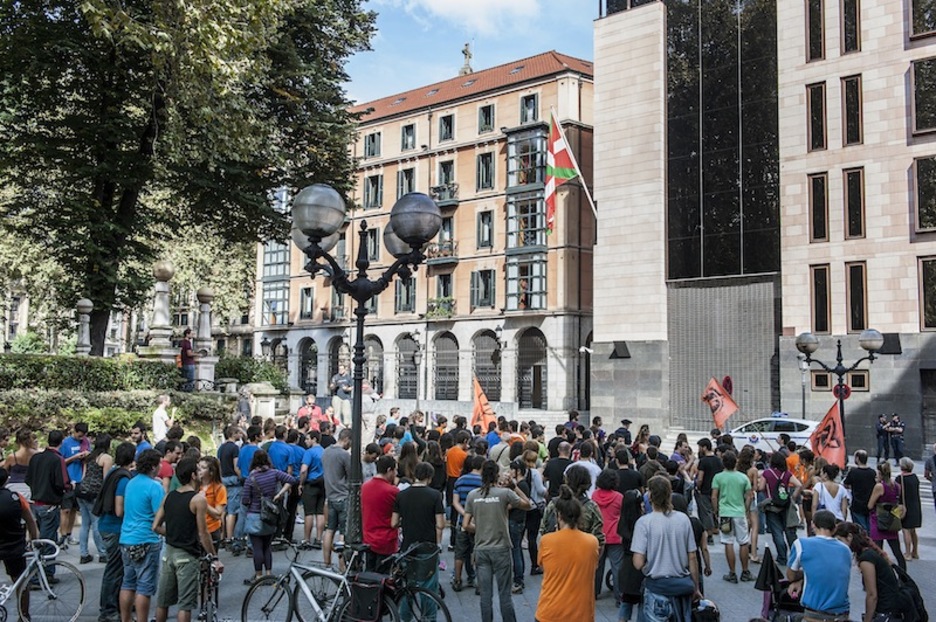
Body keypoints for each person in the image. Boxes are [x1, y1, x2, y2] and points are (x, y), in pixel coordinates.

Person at [152, 457, 221, 622]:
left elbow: (155, 526)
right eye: (197, 470)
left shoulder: (169, 497)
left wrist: (173, 534)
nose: (199, 473)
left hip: (168, 554)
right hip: (187, 556)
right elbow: (203, 533)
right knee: (185, 604)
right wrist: (214, 557)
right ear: (193, 475)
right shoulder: (198, 499)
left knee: (163, 602)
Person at [463, 460, 531, 622]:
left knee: (485, 597)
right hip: (501, 549)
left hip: (481, 550)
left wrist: (481, 528)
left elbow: (466, 525)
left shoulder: (473, 495)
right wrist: (514, 486)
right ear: (496, 475)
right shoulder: (504, 494)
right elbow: (528, 505)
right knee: (504, 595)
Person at [631, 476, 701, 622]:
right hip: (682, 586)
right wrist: (696, 587)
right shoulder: (683, 519)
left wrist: (648, 567)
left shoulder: (644, 523)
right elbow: (692, 556)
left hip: (657, 587)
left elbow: (638, 562)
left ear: (650, 496)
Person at [535, 484, 600, 622]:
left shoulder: (547, 541)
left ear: (559, 516)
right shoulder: (592, 542)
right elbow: (594, 565)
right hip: (582, 614)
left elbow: (542, 567)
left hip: (550, 612)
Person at [391, 461, 446, 620]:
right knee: (429, 587)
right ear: (429, 477)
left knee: (408, 586)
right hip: (427, 547)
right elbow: (441, 524)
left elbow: (394, 523)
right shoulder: (435, 495)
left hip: (408, 547)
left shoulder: (401, 495)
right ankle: (428, 618)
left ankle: (405, 618)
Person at [118, 449, 165, 622]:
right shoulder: (155, 487)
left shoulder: (131, 482)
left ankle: (126, 619)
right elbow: (159, 514)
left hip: (126, 538)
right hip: (147, 539)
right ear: (153, 466)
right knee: (144, 586)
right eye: (159, 464)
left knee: (128, 583)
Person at [786, 510, 852, 622]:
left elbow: (790, 576)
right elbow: (830, 573)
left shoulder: (801, 544)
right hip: (841, 612)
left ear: (813, 525)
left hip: (815, 613)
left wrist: (801, 577)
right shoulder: (845, 550)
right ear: (834, 528)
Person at [241, 449, 296, 583]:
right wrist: (279, 494)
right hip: (270, 516)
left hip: (254, 516)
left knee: (257, 547)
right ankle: (269, 573)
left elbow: (245, 500)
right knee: (267, 546)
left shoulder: (251, 478)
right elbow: (292, 479)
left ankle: (259, 576)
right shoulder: (274, 473)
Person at [833, 522, 905, 622]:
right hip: (891, 607)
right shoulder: (869, 552)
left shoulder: (866, 558)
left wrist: (867, 619)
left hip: (886, 610)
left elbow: (872, 594)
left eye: (839, 540)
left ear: (849, 537)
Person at [96, 441, 135, 622]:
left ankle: (113, 606)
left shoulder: (113, 472)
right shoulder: (124, 479)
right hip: (114, 528)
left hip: (105, 524)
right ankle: (108, 609)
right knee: (115, 569)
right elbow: (120, 510)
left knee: (115, 568)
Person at [25, 429, 69, 568]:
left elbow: (28, 479)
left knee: (39, 539)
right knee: (48, 540)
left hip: (35, 503)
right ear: (61, 442)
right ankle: (46, 572)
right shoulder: (58, 459)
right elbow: (62, 482)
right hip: (50, 504)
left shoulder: (36, 458)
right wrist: (69, 487)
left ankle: (39, 570)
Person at [0, 467, 39, 620]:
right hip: (14, 545)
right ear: (6, 480)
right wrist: (34, 539)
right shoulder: (16, 497)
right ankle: (24, 615)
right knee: (21, 580)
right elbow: (30, 520)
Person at [711, 450, 753, 583]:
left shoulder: (718, 477)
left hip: (725, 513)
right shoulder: (743, 477)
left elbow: (714, 496)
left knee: (728, 542)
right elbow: (749, 496)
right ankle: (745, 571)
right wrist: (746, 510)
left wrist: (716, 510)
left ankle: (732, 573)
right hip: (739, 512)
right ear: (736, 462)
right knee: (743, 541)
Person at [759, 451, 802, 566]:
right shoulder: (787, 474)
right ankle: (794, 555)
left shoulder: (767, 473)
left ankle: (782, 557)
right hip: (785, 505)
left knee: (777, 532)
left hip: (772, 505)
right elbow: (799, 485)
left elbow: (761, 487)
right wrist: (792, 497)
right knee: (788, 531)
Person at [76, 433, 112, 564]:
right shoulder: (106, 458)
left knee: (85, 524)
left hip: (82, 491)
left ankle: (83, 553)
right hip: (94, 493)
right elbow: (106, 479)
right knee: (97, 523)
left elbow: (84, 475)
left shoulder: (89, 457)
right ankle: (102, 553)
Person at [360, 455, 399, 571]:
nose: (395, 473)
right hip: (386, 539)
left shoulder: (364, 487)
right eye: (395, 470)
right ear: (389, 470)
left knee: (369, 574)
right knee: (384, 577)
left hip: (368, 537)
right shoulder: (393, 491)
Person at [451, 455, 482, 592]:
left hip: (462, 522)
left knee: (460, 553)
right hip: (478, 523)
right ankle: (478, 583)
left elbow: (455, 502)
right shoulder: (483, 482)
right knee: (477, 552)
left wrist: (464, 514)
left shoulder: (460, 480)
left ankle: (457, 580)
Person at [322, 428, 352, 570]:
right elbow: (352, 475)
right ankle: (342, 566)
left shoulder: (326, 452)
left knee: (329, 530)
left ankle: (326, 563)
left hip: (330, 496)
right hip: (343, 497)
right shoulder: (344, 455)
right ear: (346, 439)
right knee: (343, 534)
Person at [867, 461, 906, 570]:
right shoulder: (897, 486)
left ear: (880, 473)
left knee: (877, 551)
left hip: (878, 519)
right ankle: (904, 578)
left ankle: (878, 577)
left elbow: (870, 505)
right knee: (897, 552)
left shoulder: (879, 486)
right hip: (892, 520)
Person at [593, 468, 624, 600]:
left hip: (599, 535)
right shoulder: (618, 497)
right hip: (615, 535)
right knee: (617, 567)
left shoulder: (594, 495)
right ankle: (619, 595)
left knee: (597, 566)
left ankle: (594, 592)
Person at [60, 422, 91, 547]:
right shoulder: (66, 443)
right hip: (68, 480)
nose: (81, 438)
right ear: (74, 431)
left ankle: (69, 534)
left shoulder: (86, 442)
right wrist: (74, 457)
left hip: (80, 479)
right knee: (65, 510)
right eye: (79, 435)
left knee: (73, 509)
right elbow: (61, 462)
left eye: (83, 436)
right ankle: (62, 536)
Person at [299, 430, 326, 549]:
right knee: (320, 512)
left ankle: (307, 539)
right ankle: (319, 538)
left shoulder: (309, 453)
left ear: (314, 439)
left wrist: (301, 483)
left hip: (311, 483)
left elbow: (304, 470)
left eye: (307, 439)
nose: (305, 441)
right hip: (322, 483)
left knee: (309, 513)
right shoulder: (324, 451)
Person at [216, 425, 241, 548]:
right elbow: (236, 466)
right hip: (233, 480)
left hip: (223, 479)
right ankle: (230, 537)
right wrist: (241, 477)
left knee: (223, 510)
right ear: (233, 434)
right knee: (232, 510)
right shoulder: (235, 448)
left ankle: (221, 536)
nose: (240, 435)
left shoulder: (221, 448)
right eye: (238, 433)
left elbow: (219, 464)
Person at [694, 438, 723, 540]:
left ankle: (709, 533)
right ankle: (716, 527)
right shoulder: (718, 460)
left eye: (700, 447)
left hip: (705, 489)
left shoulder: (703, 461)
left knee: (706, 511)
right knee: (715, 509)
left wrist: (698, 486)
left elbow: (700, 477)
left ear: (705, 447)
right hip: (716, 489)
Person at [894, 457, 921, 561]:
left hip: (904, 507)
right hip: (915, 505)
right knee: (913, 530)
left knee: (906, 530)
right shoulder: (915, 477)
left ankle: (908, 553)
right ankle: (915, 552)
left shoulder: (900, 478)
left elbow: (897, 492)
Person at [844, 450, 878, 533]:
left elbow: (846, 484)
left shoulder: (853, 472)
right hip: (870, 504)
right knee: (869, 528)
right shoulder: (872, 472)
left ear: (858, 458)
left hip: (857, 504)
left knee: (860, 529)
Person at [197, 456, 226, 549]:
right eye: (198, 467)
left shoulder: (219, 488)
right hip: (195, 529)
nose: (199, 470)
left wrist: (203, 502)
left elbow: (218, 514)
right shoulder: (194, 486)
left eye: (203, 468)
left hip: (212, 529)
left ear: (211, 472)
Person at [3, 428, 37, 501]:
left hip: (13, 488)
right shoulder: (37, 455)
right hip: (31, 488)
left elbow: (3, 473)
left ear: (17, 441)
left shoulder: (12, 457)